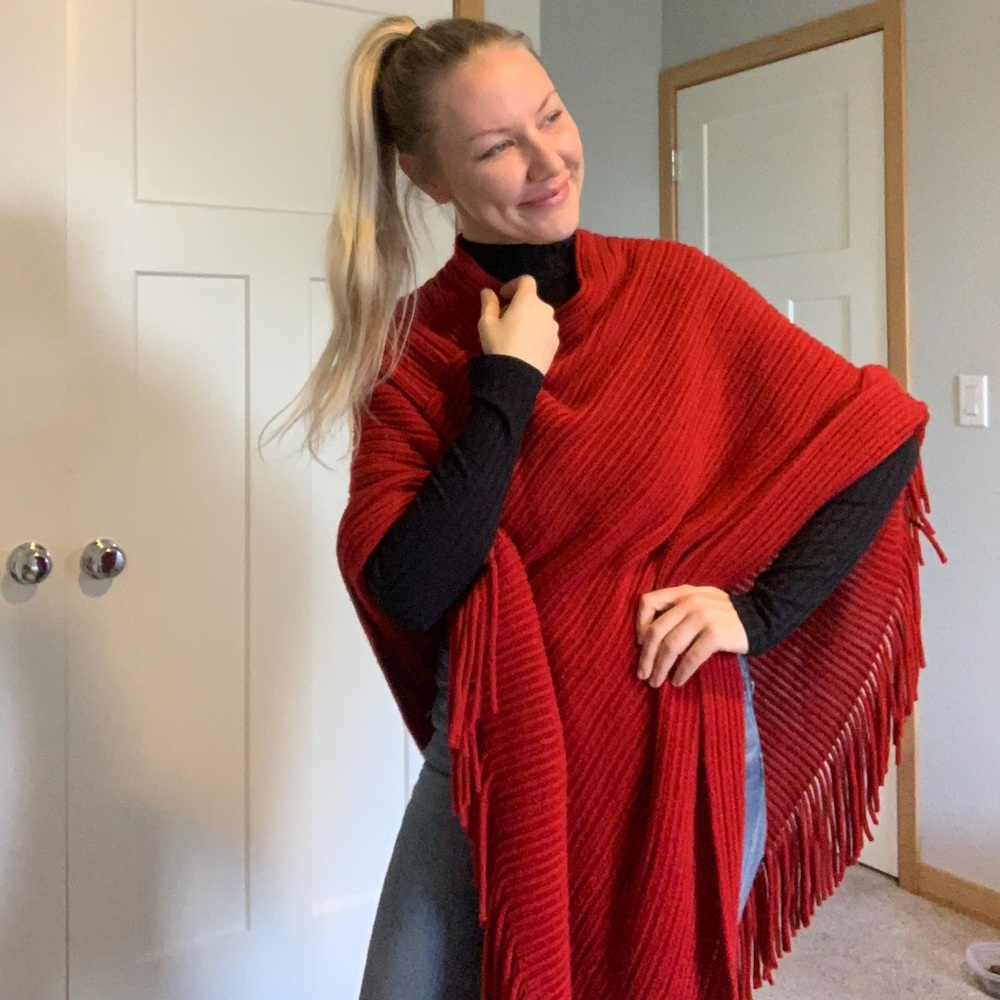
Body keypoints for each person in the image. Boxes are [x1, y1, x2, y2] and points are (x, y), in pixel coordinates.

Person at [292, 15, 940, 1000]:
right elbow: (411, 585)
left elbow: (878, 437)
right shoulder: (415, 347)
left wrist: (757, 613)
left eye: (551, 115)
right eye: (497, 147)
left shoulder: (678, 290)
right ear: (427, 178)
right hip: (493, 762)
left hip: (685, 747)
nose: (547, 159)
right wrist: (507, 382)